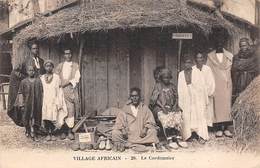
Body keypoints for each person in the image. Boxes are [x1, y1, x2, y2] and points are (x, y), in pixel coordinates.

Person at [178, 56, 214, 144]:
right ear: (183, 64)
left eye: (189, 62)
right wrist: (182, 99)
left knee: (199, 114)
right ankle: (188, 135)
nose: (187, 65)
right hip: (186, 97)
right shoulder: (181, 74)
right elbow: (180, 88)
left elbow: (202, 86)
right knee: (187, 115)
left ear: (192, 63)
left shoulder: (197, 72)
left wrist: (196, 93)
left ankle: (201, 135)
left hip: (197, 97)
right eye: (186, 63)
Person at [112, 87, 161, 152]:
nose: (134, 98)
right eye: (132, 96)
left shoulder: (144, 108)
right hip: (128, 134)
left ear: (139, 97)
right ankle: (140, 144)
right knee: (115, 133)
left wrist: (145, 129)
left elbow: (150, 120)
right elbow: (119, 121)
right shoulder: (125, 108)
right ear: (130, 97)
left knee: (153, 132)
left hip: (141, 134)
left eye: (136, 96)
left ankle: (129, 144)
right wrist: (123, 130)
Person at [8, 42, 45, 127]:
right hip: (29, 87)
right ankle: (28, 127)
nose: (36, 50)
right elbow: (15, 72)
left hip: (39, 87)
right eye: (34, 48)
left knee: (38, 104)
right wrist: (25, 78)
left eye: (37, 48)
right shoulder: (26, 61)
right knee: (29, 105)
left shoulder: (41, 61)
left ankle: (37, 126)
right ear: (31, 50)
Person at [149, 68, 187, 149]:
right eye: (164, 78)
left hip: (171, 106)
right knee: (165, 116)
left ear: (170, 78)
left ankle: (178, 137)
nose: (166, 79)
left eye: (168, 77)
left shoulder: (172, 86)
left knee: (177, 114)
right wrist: (162, 107)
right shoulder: (158, 86)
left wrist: (175, 106)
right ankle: (169, 138)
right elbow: (154, 100)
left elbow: (176, 97)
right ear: (161, 78)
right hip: (159, 107)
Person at [207, 41, 233, 138]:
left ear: (223, 44)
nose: (219, 45)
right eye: (217, 43)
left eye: (221, 43)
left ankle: (226, 128)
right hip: (216, 85)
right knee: (217, 106)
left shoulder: (229, 56)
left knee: (226, 106)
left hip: (226, 85)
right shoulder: (210, 57)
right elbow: (208, 71)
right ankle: (218, 129)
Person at [55, 49, 80, 140]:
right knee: (61, 110)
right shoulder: (60, 66)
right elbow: (56, 77)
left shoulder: (75, 66)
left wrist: (68, 82)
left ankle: (70, 131)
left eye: (69, 53)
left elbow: (76, 78)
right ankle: (62, 131)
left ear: (71, 55)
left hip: (70, 90)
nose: (68, 55)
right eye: (66, 54)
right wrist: (60, 84)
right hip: (61, 91)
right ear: (64, 55)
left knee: (70, 110)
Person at [41, 60, 68, 141]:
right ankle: (48, 133)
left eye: (50, 66)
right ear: (45, 67)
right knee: (46, 116)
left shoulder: (56, 77)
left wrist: (59, 100)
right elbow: (41, 90)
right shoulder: (42, 78)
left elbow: (59, 90)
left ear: (52, 67)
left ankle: (53, 133)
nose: (48, 67)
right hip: (45, 100)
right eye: (47, 66)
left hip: (54, 99)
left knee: (54, 116)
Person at [15, 66, 43, 141]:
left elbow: (42, 92)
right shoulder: (23, 82)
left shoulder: (38, 81)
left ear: (35, 71)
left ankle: (35, 132)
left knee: (35, 117)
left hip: (36, 103)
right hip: (27, 103)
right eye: (30, 70)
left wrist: (41, 102)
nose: (31, 72)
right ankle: (28, 130)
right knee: (27, 117)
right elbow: (20, 93)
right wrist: (21, 104)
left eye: (33, 70)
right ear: (27, 71)